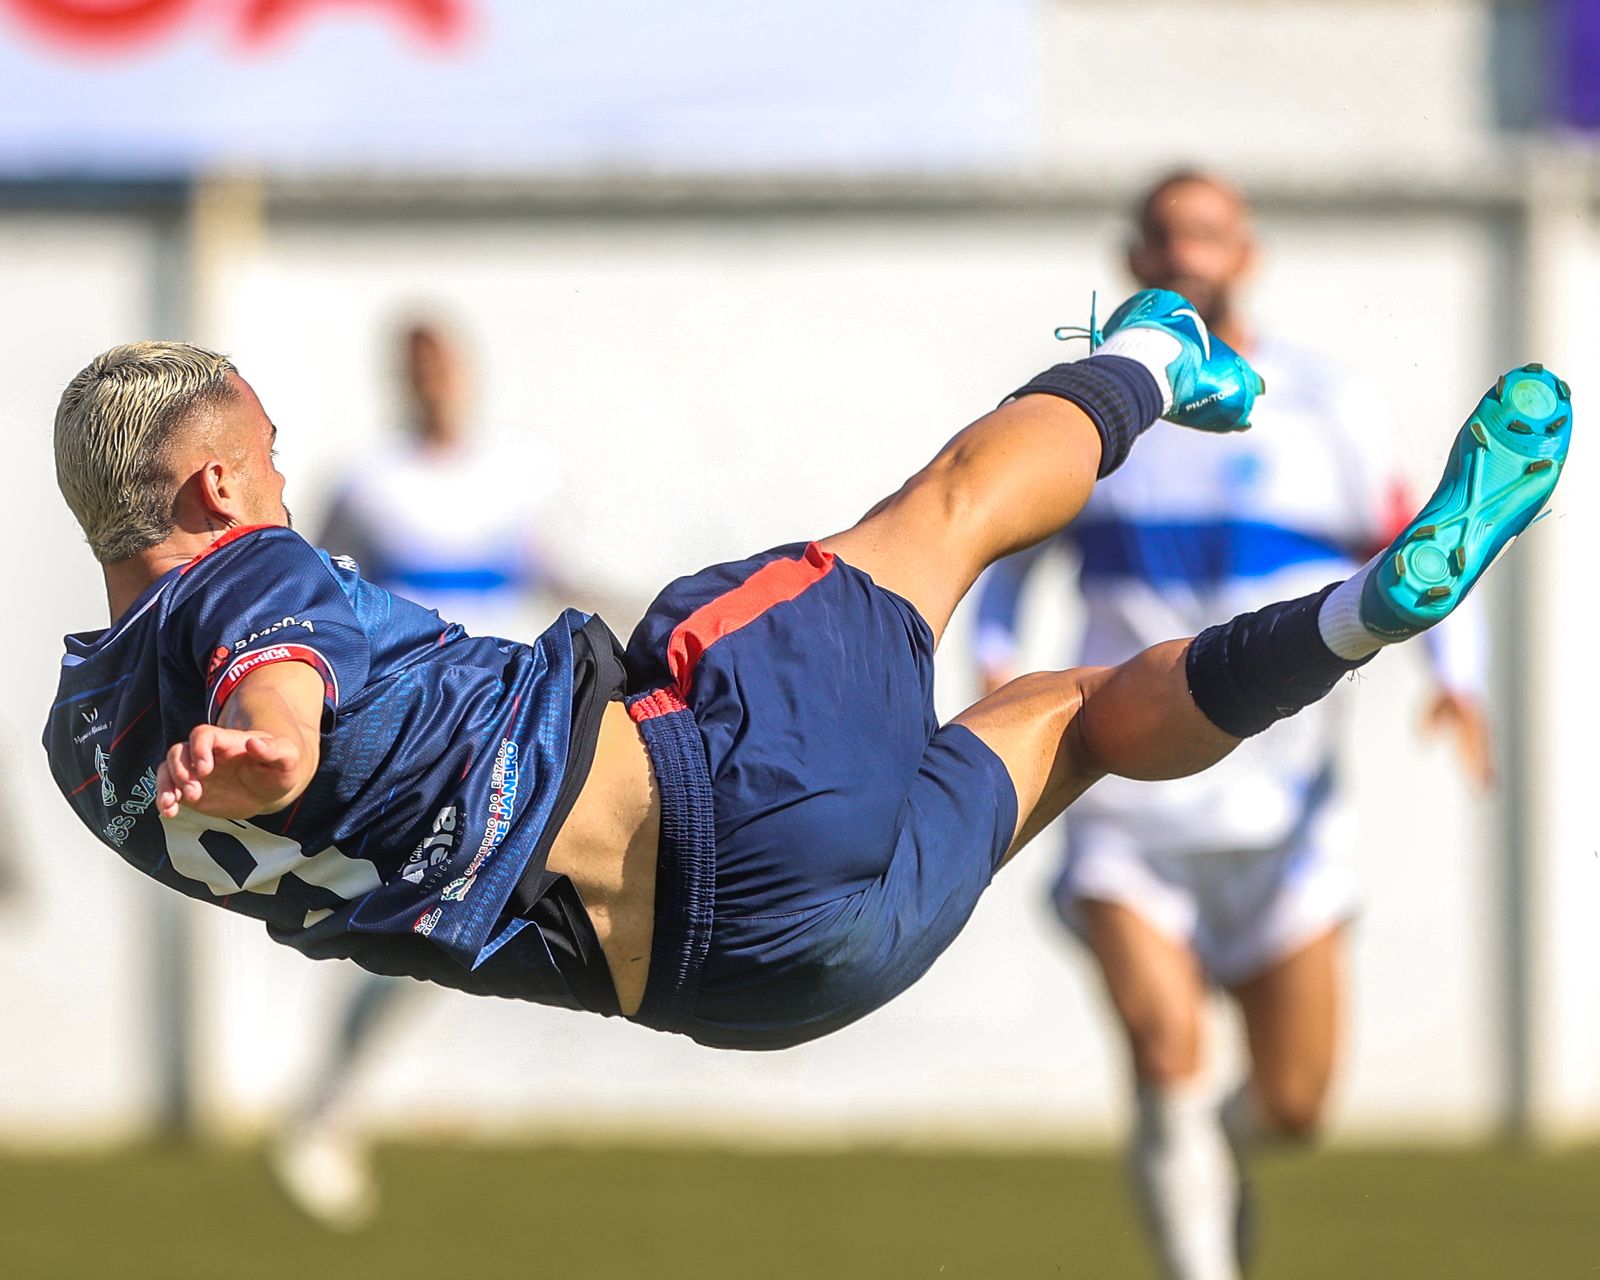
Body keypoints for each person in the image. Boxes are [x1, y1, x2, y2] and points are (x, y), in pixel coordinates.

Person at [43, 294, 1565, 1088]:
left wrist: (258, 761)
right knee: (951, 509)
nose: (291, 483)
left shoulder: (85, 758)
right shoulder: (244, 572)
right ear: (222, 478)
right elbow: (280, 686)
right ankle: (1153, 361)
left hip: (771, 985)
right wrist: (271, 747)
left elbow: (271, 729)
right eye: (275, 458)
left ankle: (1361, 615)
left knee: (1075, 715)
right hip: (728, 782)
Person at [974, 172, 1494, 1280]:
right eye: (1164, 235)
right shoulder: (1084, 408)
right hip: (1124, 795)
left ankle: (1199, 1152)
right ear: (1131, 259)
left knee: (1292, 1104)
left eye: (1206, 232)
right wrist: (990, 672)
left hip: (1283, 810)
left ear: (1246, 253)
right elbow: (1009, 567)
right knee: (1168, 1051)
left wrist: (1460, 677)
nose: (1186, 253)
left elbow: (1416, 548)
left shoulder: (1329, 401)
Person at [270, 318, 571, 1230]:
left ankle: (329, 1107)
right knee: (426, 925)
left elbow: (544, 578)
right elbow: (307, 596)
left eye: (444, 364)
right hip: (418, 733)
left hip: (517, 722)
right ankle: (326, 1110)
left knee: (449, 926)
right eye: (417, 367)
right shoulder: (369, 487)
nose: (434, 382)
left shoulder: (521, 473)